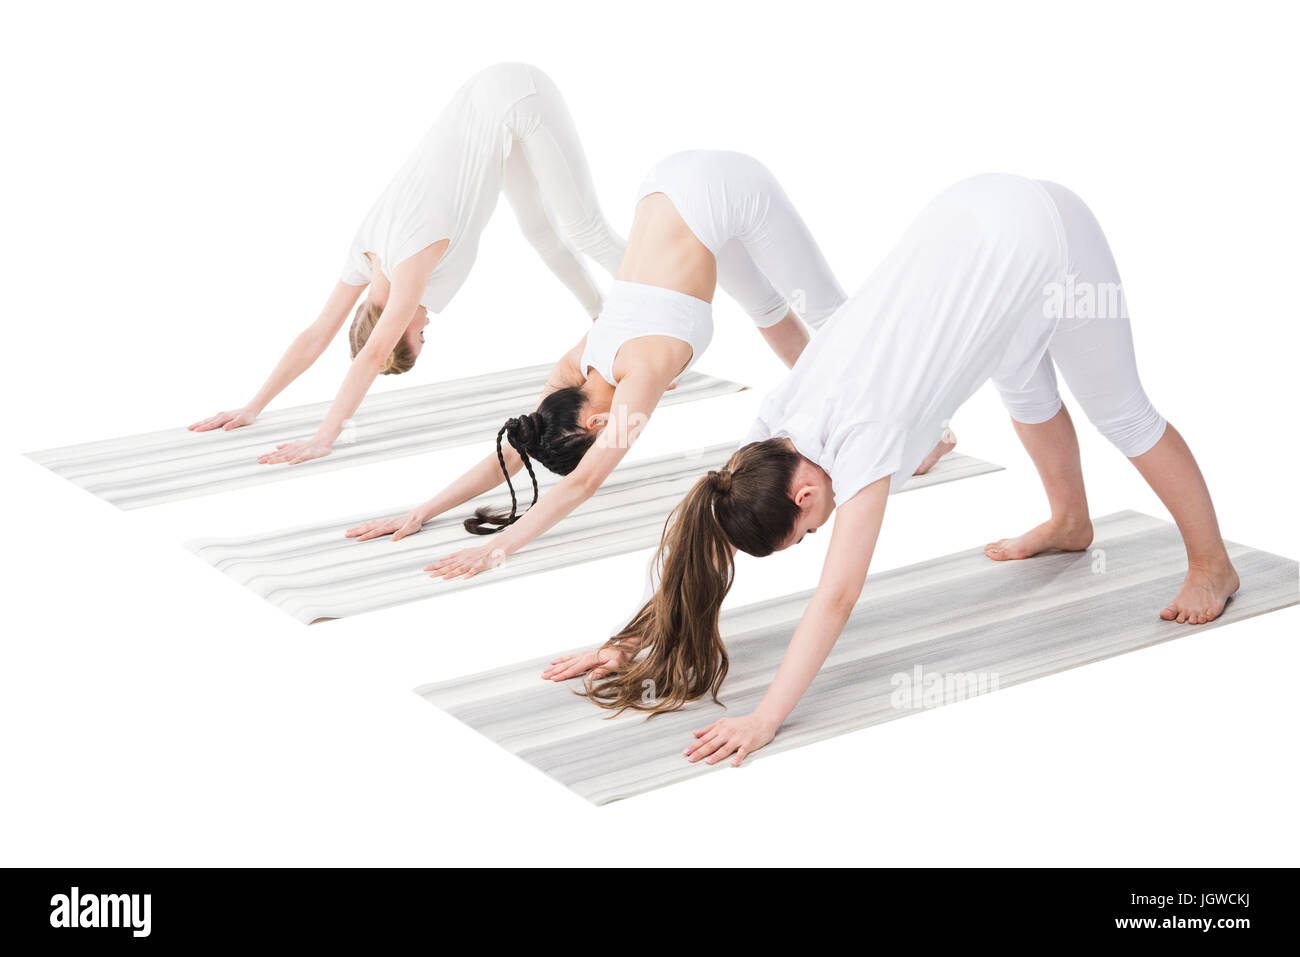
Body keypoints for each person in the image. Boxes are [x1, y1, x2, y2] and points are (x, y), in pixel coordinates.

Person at [542, 173, 1240, 769]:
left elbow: (837, 596)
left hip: (1047, 241)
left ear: (806, 493)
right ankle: (1070, 521)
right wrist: (630, 641)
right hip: (974, 224)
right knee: (1022, 381)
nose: (817, 532)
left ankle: (1212, 561)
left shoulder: (860, 440)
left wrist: (764, 719)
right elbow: (707, 538)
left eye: (806, 532)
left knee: (1121, 411)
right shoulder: (770, 435)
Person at [187, 63, 624, 465]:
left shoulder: (412, 258)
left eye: (419, 333)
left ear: (394, 328)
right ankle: (606, 316)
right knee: (541, 232)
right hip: (487, 104)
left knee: (583, 228)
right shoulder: (367, 255)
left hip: (515, 97)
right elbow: (317, 334)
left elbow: (373, 353)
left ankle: (660, 307)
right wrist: (252, 406)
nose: (426, 320)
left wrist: (324, 437)